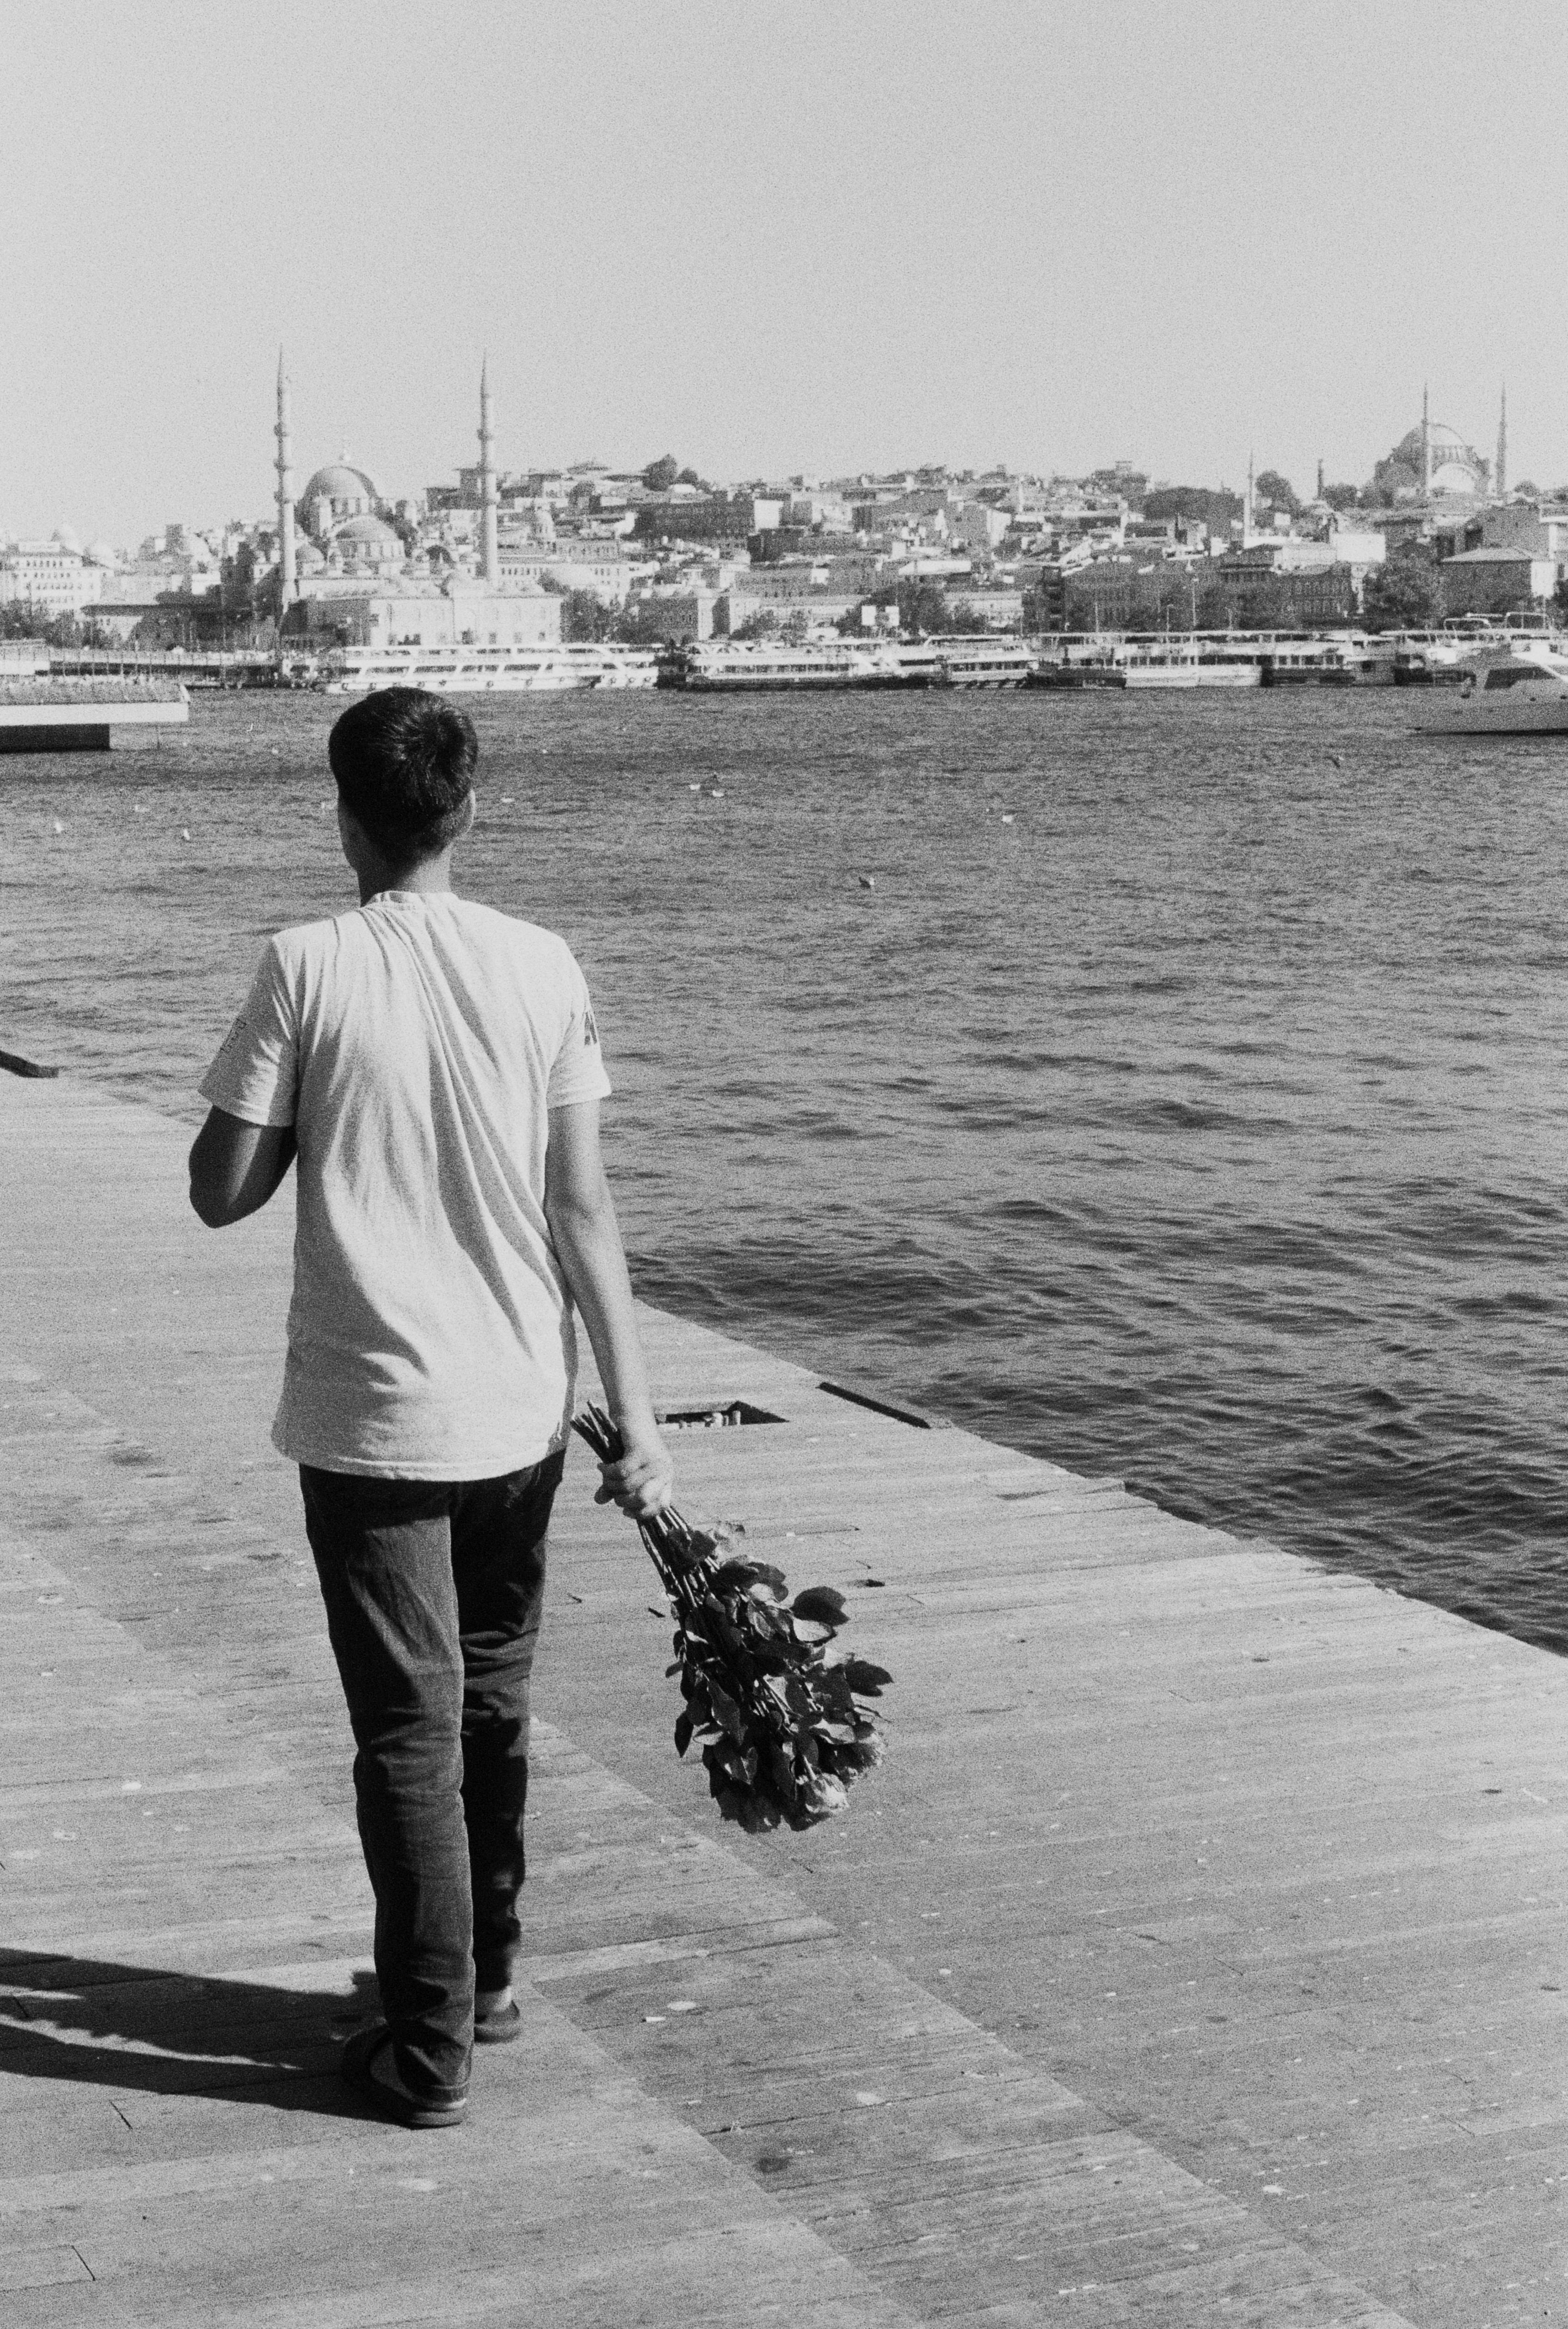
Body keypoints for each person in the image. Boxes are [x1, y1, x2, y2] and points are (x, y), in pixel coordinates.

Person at [188, 686, 672, 2129]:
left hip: (378, 1418)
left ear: (344, 817)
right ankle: (489, 1980)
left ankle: (428, 2044)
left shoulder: (305, 965)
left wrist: (302, 1104)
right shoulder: (543, 964)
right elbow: (582, 1208)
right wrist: (638, 1422)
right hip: (526, 1405)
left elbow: (220, 1191)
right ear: (471, 810)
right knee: (493, 1704)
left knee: (408, 1729)